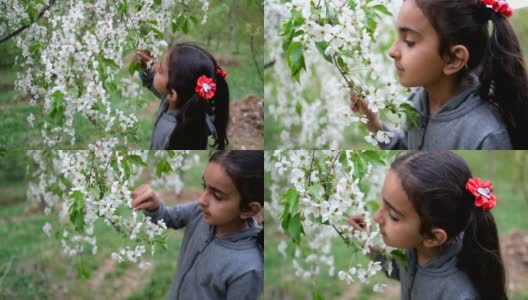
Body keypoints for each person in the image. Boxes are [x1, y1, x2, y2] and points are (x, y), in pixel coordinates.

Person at [351, 0, 528, 149]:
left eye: (409, 41)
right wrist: (374, 125)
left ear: (454, 59)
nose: (392, 51)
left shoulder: (485, 135)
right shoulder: (418, 99)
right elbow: (408, 150)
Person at [349, 151, 507, 300]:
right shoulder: (415, 248)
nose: (376, 217)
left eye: (394, 216)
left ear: (434, 237)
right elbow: (400, 270)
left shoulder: (457, 294)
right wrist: (367, 243)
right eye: (383, 203)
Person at [132, 150, 263, 300]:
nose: (202, 199)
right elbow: (166, 217)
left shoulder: (248, 269)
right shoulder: (200, 212)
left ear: (248, 210)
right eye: (204, 186)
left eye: (217, 196)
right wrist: (154, 207)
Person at [136, 43, 229, 149]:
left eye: (161, 70)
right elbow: (151, 82)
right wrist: (147, 66)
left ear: (172, 94)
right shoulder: (185, 103)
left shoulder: (175, 136)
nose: (155, 66)